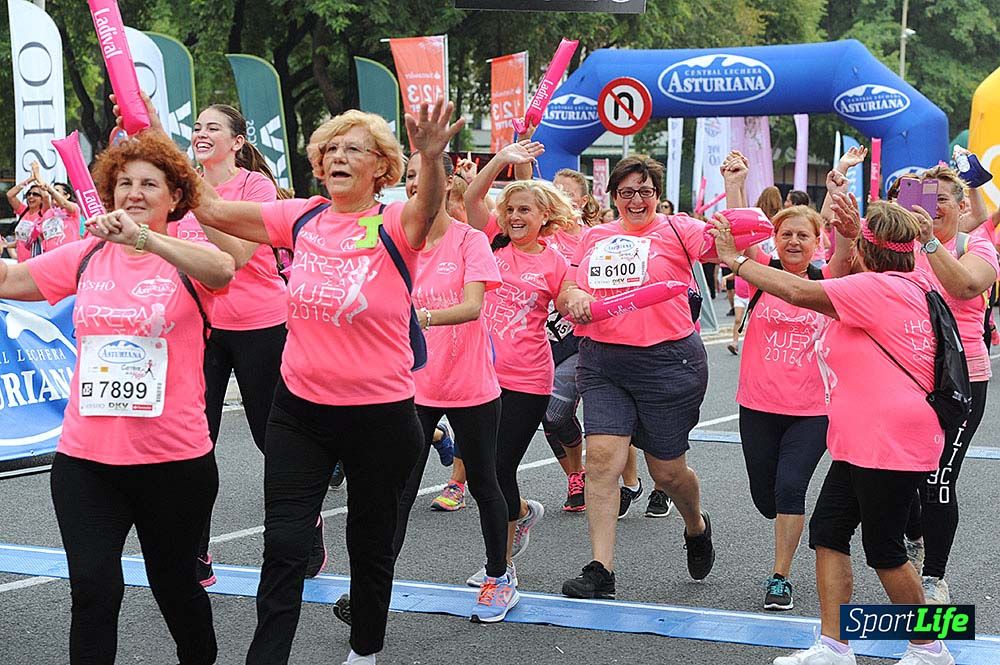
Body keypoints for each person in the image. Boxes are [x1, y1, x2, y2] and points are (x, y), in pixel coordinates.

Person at [189, 99, 463, 665]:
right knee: (284, 545)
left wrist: (431, 158)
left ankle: (365, 648)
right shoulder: (303, 216)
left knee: (368, 547)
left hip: (380, 416)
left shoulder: (395, 221)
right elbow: (212, 211)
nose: (339, 156)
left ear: (381, 168)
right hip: (300, 412)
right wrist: (150, 129)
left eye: (354, 149)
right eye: (331, 149)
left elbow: (430, 204)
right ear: (317, 162)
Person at [0, 130, 234, 664]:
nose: (133, 192)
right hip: (87, 462)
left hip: (173, 461)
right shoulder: (86, 256)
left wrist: (144, 240)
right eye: (124, 183)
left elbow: (223, 271)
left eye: (149, 184)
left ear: (174, 196)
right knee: (93, 591)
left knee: (174, 587)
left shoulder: (186, 256)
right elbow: (11, 278)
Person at [711, 202, 954, 665]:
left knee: (883, 550)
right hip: (864, 438)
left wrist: (735, 260)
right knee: (828, 532)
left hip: (887, 441)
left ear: (867, 249)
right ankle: (834, 645)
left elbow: (799, 291)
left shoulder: (876, 287)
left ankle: (929, 647)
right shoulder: (915, 280)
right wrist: (846, 232)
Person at [558, 155, 714, 599]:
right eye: (626, 192)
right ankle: (600, 569)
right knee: (603, 459)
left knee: (666, 473)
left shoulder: (679, 230)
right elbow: (568, 288)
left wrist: (734, 186)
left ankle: (696, 526)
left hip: (668, 363)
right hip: (604, 360)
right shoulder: (595, 236)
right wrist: (576, 298)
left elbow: (726, 244)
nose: (636, 200)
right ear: (614, 198)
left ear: (657, 195)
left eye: (644, 191)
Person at [179, 104, 291, 586]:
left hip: (259, 325)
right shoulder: (178, 193)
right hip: (198, 329)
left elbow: (235, 255)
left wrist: (195, 200)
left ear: (238, 142)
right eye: (197, 127)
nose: (202, 133)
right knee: (193, 440)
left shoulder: (255, 188)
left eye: (213, 128)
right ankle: (195, 551)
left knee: (273, 440)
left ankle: (301, 527)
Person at [463, 146, 574, 598]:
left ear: (544, 216)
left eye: (524, 209)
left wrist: (577, 302)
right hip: (479, 376)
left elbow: (568, 298)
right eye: (509, 209)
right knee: (478, 473)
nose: (513, 216)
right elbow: (472, 198)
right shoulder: (491, 239)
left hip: (527, 380)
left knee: (496, 467)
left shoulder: (555, 261)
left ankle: (501, 565)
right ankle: (523, 512)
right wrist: (500, 162)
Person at [904, 166, 997, 604]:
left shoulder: (974, 245)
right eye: (927, 197)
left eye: (944, 198)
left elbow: (966, 285)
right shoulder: (901, 245)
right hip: (906, 377)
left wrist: (927, 240)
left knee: (939, 479)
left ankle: (934, 577)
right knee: (903, 477)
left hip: (962, 382)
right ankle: (913, 531)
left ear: (963, 209)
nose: (933, 205)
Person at [546, 168, 602, 511]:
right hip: (544, 339)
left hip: (585, 339)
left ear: (582, 202)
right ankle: (575, 475)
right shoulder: (540, 234)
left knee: (602, 421)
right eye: (553, 192)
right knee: (551, 416)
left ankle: (632, 482)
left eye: (565, 194)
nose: (558, 199)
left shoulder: (595, 238)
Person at [6, 162, 78, 262]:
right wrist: (30, 180)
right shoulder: (48, 213)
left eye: (35, 194)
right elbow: (10, 195)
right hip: (44, 261)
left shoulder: (71, 209)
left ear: (67, 195)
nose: (31, 196)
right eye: (29, 194)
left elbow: (51, 198)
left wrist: (39, 177)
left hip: (67, 258)